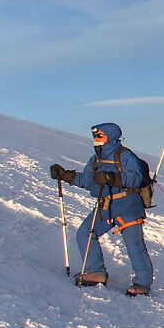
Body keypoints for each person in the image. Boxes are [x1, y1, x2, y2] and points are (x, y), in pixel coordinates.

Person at [49, 123, 153, 296]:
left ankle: (142, 284)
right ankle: (95, 272)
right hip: (106, 207)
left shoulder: (125, 155)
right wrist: (66, 175)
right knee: (85, 233)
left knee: (134, 245)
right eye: (95, 136)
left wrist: (112, 178)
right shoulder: (96, 159)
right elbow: (88, 182)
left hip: (127, 207)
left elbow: (135, 177)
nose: (95, 140)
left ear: (111, 136)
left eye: (99, 136)